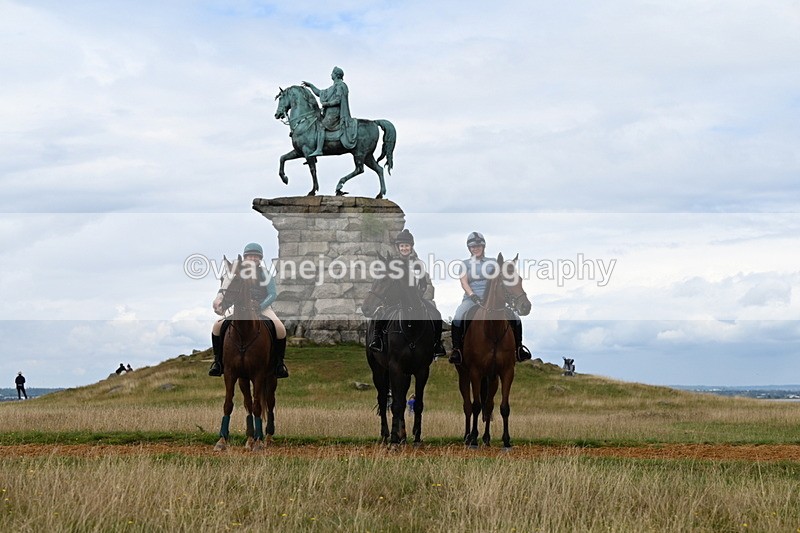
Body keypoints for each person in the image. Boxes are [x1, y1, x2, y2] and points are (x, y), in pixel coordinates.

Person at [448, 232, 531, 365]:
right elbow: (464, 282)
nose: (476, 249)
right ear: (469, 249)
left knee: (515, 317)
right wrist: (472, 296)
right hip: (472, 299)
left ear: (483, 246)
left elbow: (503, 276)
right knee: (458, 317)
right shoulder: (465, 264)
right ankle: (457, 350)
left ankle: (519, 348)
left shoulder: (493, 262)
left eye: (479, 246)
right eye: (473, 247)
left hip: (492, 299)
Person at [209, 242, 289, 379]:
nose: (252, 258)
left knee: (280, 329)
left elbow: (272, 294)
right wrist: (222, 303)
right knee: (217, 325)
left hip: (262, 308)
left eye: (256, 256)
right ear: (245, 257)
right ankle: (218, 362)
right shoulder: (237, 272)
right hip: (240, 308)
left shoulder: (264, 273)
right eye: (250, 256)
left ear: (260, 259)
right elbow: (226, 287)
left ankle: (279, 364)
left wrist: (260, 306)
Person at [368, 229, 446, 358]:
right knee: (381, 315)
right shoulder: (393, 263)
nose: (404, 248)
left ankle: (437, 345)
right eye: (402, 246)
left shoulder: (417, 264)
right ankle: (377, 340)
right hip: (396, 300)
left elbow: (422, 283)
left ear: (411, 247)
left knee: (436, 314)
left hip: (415, 299)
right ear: (398, 247)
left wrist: (419, 295)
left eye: (407, 245)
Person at [302, 66, 358, 156]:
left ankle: (319, 149)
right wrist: (310, 86)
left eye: (332, 73)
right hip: (329, 113)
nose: (330, 74)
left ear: (336, 75)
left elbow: (338, 100)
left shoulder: (341, 85)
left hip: (335, 113)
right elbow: (319, 93)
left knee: (321, 126)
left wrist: (327, 104)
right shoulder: (332, 87)